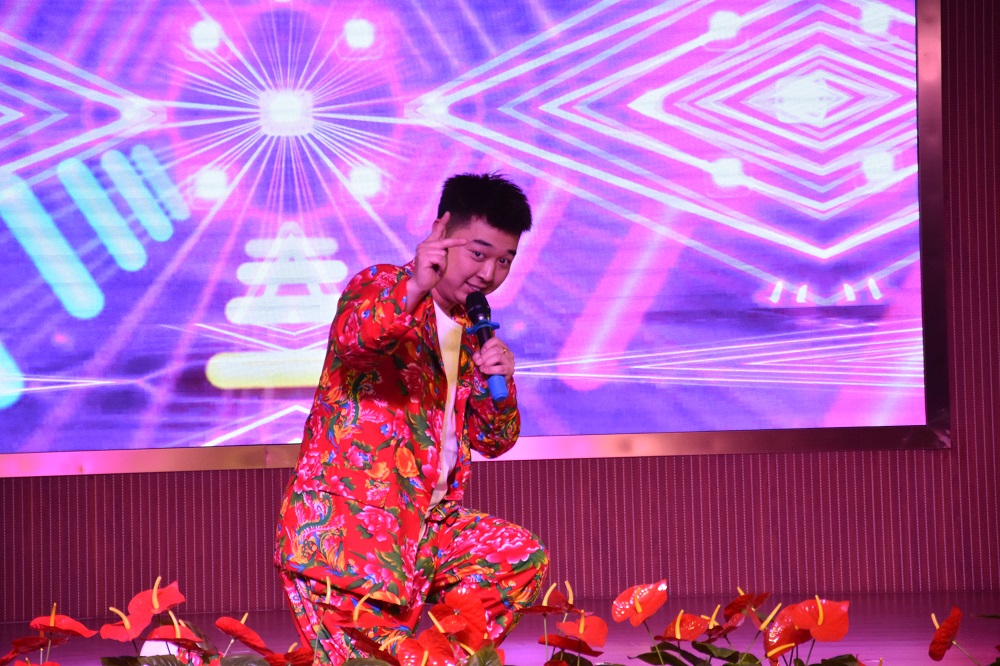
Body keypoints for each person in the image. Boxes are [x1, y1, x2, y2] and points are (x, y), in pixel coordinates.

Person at [274, 173, 549, 664]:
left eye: (505, 260)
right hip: (349, 537)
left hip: (425, 531)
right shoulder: (381, 285)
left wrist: (501, 383)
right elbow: (356, 339)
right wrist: (416, 284)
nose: (489, 274)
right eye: (479, 253)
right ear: (442, 232)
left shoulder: (470, 330)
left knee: (517, 555)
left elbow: (493, 440)